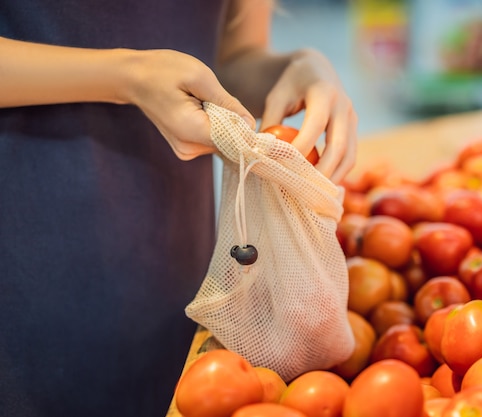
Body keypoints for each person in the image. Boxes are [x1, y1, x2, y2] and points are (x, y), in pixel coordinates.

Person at [0, 1, 358, 416]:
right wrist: (126, 76)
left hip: (175, 239)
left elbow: (231, 60)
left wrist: (298, 67)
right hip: (27, 237)